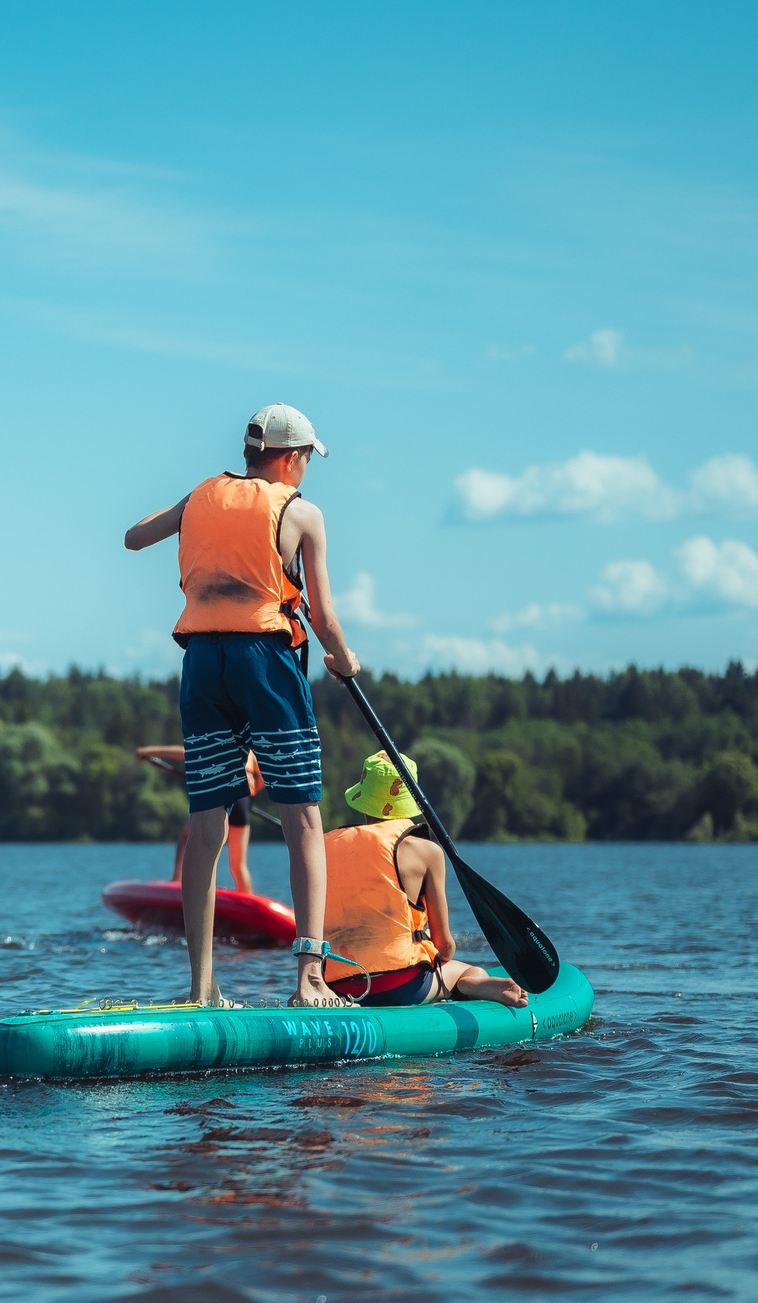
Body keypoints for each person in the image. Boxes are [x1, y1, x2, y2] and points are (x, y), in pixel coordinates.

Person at [126, 403, 361, 1006]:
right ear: (291, 457)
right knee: (302, 818)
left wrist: (188, 512)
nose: (306, 469)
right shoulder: (302, 512)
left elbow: (133, 539)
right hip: (267, 661)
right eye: (307, 459)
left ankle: (202, 989)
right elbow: (326, 618)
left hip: (203, 663)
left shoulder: (203, 494)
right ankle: (311, 982)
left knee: (206, 826)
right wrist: (343, 658)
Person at [321, 752, 528, 1008]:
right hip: (402, 986)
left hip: (334, 988)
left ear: (362, 801)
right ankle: (469, 984)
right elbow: (444, 947)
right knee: (467, 969)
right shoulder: (426, 851)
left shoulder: (323, 846)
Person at [136, 745, 263, 894]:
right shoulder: (249, 751)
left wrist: (148, 751)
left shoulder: (220, 739)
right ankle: (247, 899)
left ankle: (176, 879)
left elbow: (186, 752)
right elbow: (262, 777)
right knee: (238, 865)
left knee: (186, 835)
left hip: (221, 792)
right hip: (244, 797)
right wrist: (251, 793)